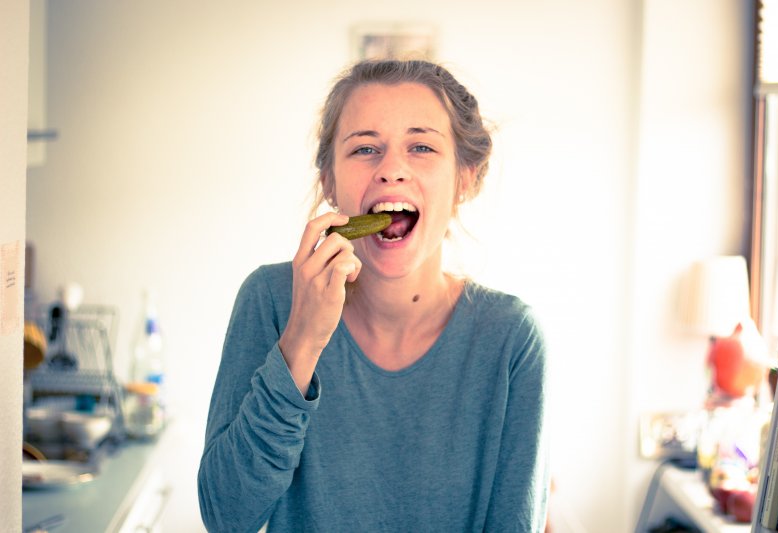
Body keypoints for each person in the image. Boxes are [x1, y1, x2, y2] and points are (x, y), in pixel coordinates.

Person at [197, 58, 549, 532]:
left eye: (421, 146)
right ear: (330, 181)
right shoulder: (272, 300)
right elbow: (226, 517)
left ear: (466, 178)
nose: (391, 170)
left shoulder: (512, 339)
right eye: (365, 149)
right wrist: (300, 340)